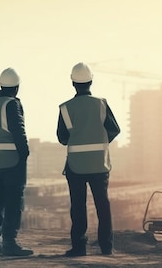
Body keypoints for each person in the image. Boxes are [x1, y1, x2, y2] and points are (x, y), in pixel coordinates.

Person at [56, 62, 121, 257]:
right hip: (99, 164)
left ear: (73, 83)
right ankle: (106, 247)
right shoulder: (101, 104)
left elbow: (62, 138)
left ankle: (79, 247)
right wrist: (100, 140)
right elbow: (114, 129)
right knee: (103, 204)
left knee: (78, 205)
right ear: (91, 81)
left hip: (76, 166)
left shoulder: (65, 108)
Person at [0, 67, 34, 256]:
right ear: (17, 87)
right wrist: (25, 153)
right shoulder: (12, 104)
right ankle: (10, 243)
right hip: (13, 161)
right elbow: (18, 131)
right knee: (14, 202)